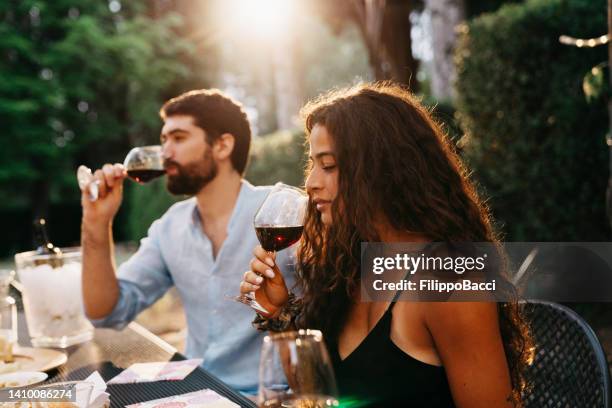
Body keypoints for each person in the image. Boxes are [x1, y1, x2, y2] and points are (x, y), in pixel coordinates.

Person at [240, 82, 533, 406]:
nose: (310, 183)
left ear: (381, 169)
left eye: (329, 166)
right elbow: (318, 394)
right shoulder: (348, 266)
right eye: (314, 165)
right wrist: (278, 313)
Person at [80, 89, 294, 394]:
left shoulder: (282, 215)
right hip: (196, 393)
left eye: (178, 138)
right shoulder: (169, 228)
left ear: (222, 145)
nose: (165, 151)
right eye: (164, 139)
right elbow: (106, 312)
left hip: (273, 398)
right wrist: (96, 223)